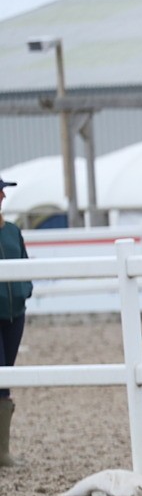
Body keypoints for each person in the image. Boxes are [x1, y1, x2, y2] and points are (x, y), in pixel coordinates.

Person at [0, 177, 32, 468]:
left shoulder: (12, 232)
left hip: (14, 314)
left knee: (6, 377)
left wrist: (25, 291)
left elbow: (24, 263)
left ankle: (2, 451)